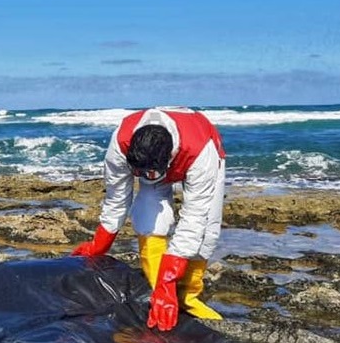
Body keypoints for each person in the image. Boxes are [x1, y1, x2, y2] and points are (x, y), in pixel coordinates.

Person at [72, 108, 226, 331]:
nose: (143, 178)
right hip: (153, 161)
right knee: (147, 213)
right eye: (137, 172)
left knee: (207, 229)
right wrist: (99, 245)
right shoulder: (121, 143)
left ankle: (186, 296)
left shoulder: (202, 153)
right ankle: (159, 290)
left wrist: (169, 279)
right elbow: (116, 198)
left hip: (198, 152)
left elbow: (194, 218)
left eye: (148, 174)